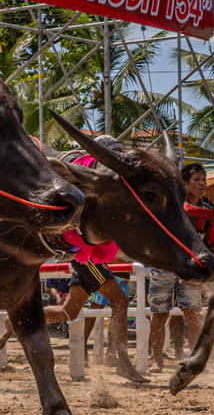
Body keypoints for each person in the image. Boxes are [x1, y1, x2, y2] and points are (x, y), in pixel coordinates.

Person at [44, 151, 143, 380]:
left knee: (69, 311)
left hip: (85, 256)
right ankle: (121, 361)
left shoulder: (97, 191)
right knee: (120, 300)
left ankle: (16, 322)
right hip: (86, 256)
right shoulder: (85, 191)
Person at [148, 163, 214, 370]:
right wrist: (213, 214)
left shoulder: (208, 211)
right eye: (197, 180)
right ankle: (156, 360)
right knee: (160, 314)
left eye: (203, 180)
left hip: (189, 267)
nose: (202, 183)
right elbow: (186, 211)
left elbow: (211, 242)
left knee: (192, 314)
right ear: (184, 184)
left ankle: (193, 361)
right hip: (166, 265)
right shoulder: (175, 204)